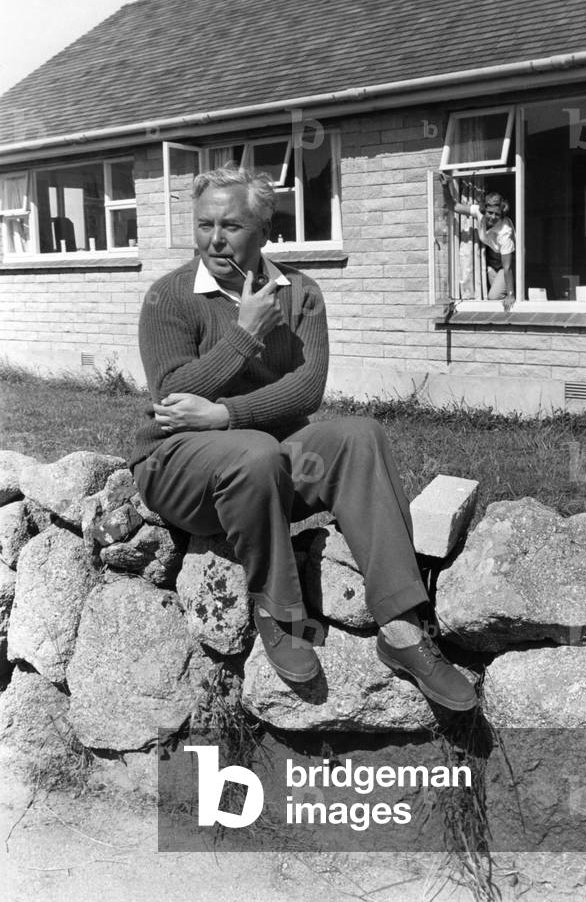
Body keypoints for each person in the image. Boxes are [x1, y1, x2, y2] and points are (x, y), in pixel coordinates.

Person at [130, 163, 476, 712]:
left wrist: (222, 415)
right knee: (256, 451)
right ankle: (277, 606)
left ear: (265, 230)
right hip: (177, 469)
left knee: (359, 435)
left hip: (265, 464)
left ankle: (403, 628)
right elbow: (170, 395)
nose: (215, 240)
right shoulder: (170, 296)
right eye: (203, 225)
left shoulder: (301, 294)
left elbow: (307, 390)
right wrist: (245, 334)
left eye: (232, 226)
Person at [440, 179, 516, 311]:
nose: (492, 217)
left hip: (508, 261)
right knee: (493, 299)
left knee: (494, 296)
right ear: (484, 209)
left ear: (502, 214)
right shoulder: (478, 212)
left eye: (497, 214)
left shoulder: (505, 232)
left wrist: (511, 295)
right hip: (492, 261)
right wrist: (445, 186)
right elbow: (454, 206)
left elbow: (508, 267)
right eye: (490, 212)